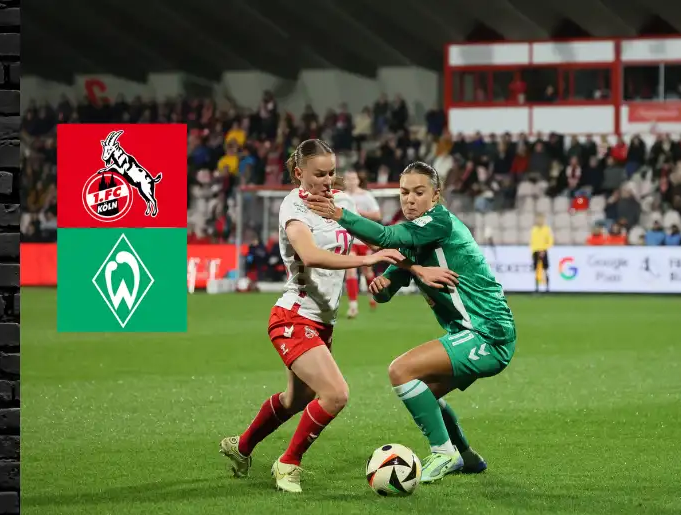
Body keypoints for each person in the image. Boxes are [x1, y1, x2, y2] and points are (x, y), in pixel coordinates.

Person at [303, 162, 517, 484]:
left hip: (488, 333)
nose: (410, 200)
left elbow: (385, 235)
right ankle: (465, 456)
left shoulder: (439, 222)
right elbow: (389, 287)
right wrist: (381, 287)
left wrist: (340, 215)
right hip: (471, 332)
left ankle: (443, 453)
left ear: (435, 196)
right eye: (404, 192)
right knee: (424, 393)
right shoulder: (413, 240)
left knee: (400, 371)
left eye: (419, 192)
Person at [218, 139, 407, 494]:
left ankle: (241, 448)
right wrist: (365, 261)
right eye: (319, 173)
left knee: (296, 400)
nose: (327, 179)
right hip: (293, 317)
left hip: (322, 321)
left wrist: (411, 267)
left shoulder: (341, 203)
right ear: (298, 172)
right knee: (335, 394)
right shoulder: (293, 208)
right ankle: (288, 463)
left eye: (331, 172)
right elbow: (310, 254)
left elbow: (369, 236)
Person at [341, 170, 384, 319]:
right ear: (344, 181)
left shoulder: (366, 196)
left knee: (368, 271)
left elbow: (378, 215)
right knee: (351, 270)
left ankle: (372, 297)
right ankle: (353, 306)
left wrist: (359, 213)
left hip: (365, 239)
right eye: (348, 178)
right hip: (349, 239)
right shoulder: (342, 197)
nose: (351, 181)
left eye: (354, 178)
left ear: (358, 180)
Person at [530, 213, 553, 293]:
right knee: (537, 270)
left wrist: (543, 249)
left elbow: (550, 241)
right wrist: (534, 251)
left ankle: (547, 289)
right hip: (536, 251)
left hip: (543, 251)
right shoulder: (534, 229)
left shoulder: (546, 229)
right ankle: (537, 289)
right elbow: (532, 242)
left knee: (545, 270)